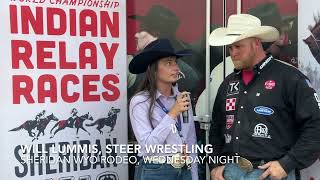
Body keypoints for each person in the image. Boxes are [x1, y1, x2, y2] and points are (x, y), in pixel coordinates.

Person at [207, 14, 320, 180]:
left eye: (239, 47)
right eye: (230, 48)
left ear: (256, 43)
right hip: (231, 171)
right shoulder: (228, 84)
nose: (233, 53)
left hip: (270, 172)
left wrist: (286, 164)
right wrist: (215, 165)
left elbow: (316, 125)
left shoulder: (289, 77)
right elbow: (216, 128)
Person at [129, 38, 198, 180]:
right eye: (168, 63)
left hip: (184, 168)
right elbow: (148, 147)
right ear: (153, 69)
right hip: (155, 169)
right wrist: (172, 113)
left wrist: (194, 174)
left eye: (175, 62)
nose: (176, 68)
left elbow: (191, 139)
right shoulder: (140, 102)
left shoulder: (181, 98)